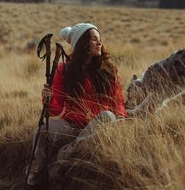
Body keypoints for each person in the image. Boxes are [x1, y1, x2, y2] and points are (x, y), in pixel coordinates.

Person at [26, 23, 127, 190]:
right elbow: (55, 110)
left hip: (98, 127)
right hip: (71, 126)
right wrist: (47, 99)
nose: (99, 43)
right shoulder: (63, 70)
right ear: (83, 44)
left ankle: (65, 156)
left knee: (108, 116)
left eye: (99, 39)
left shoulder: (109, 70)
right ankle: (34, 182)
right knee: (42, 130)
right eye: (94, 39)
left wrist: (121, 118)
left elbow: (118, 101)